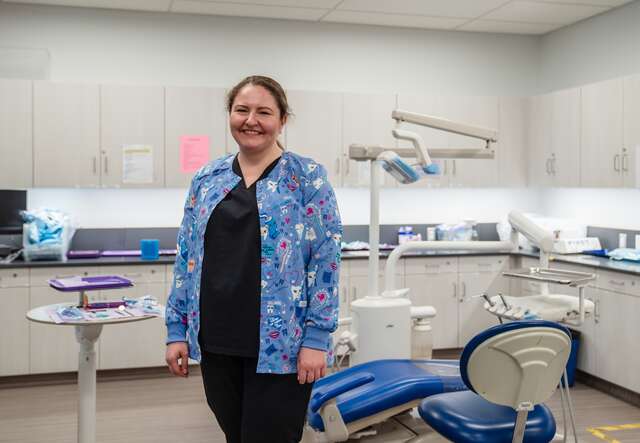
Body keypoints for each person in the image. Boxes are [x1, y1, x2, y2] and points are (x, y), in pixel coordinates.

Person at [165, 75, 342, 443]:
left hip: (283, 346)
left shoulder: (306, 178)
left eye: (264, 112)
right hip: (216, 341)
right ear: (230, 115)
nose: (251, 120)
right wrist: (176, 329)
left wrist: (317, 338)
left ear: (282, 120)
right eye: (242, 110)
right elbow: (186, 257)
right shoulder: (207, 178)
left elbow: (325, 261)